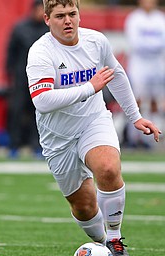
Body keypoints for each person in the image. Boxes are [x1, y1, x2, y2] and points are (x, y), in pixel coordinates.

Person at [26, 0, 161, 255]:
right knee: (84, 206)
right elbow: (42, 101)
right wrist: (90, 87)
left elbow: (117, 74)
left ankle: (114, 240)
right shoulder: (40, 52)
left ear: (79, 14)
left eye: (72, 14)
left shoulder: (96, 41)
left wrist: (135, 117)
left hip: (93, 120)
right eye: (60, 16)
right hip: (57, 136)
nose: (68, 21)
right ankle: (104, 244)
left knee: (108, 168)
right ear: (46, 19)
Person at [6, 0, 49, 159]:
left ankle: (37, 145)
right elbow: (11, 53)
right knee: (16, 111)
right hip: (21, 78)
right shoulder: (20, 28)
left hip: (41, 79)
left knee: (39, 112)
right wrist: (10, 74)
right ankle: (14, 145)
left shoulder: (48, 30)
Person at [124, 0, 165, 149]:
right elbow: (135, 43)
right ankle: (133, 136)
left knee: (155, 100)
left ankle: (152, 136)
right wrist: (153, 45)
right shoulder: (134, 18)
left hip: (156, 64)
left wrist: (151, 45)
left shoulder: (160, 19)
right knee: (137, 100)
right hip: (139, 64)